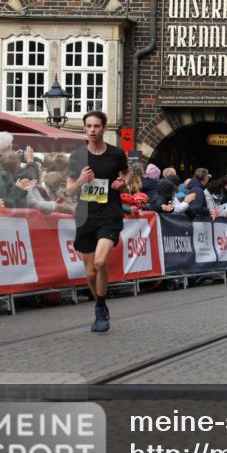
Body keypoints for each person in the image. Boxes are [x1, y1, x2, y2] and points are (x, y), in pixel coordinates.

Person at [65, 111, 129, 333]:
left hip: (110, 214)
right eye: (88, 126)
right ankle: (99, 305)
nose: (92, 130)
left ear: (104, 128)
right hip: (86, 216)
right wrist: (82, 180)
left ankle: (101, 308)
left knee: (101, 262)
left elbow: (127, 174)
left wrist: (122, 183)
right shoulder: (77, 157)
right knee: (91, 272)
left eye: (96, 126)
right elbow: (69, 190)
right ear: (84, 129)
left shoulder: (116, 154)